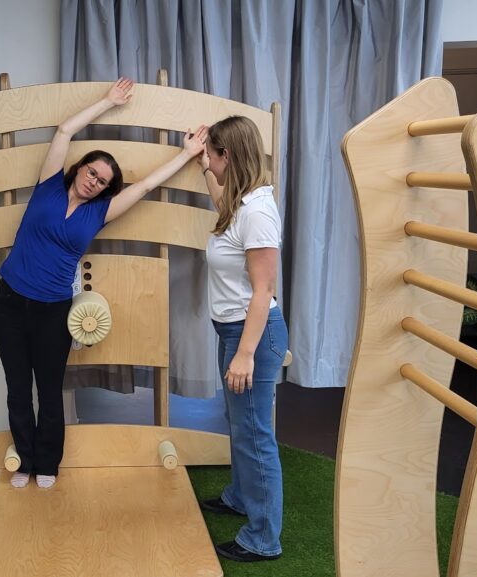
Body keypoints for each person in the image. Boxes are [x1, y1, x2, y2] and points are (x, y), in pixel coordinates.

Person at [0, 78, 206, 489]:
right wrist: (107, 102)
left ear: (106, 189)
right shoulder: (49, 186)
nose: (94, 181)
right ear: (80, 168)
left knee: (49, 392)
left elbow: (145, 186)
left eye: (103, 181)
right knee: (18, 389)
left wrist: (186, 154)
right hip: (10, 303)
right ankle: (25, 460)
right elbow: (64, 131)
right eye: (92, 172)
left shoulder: (100, 213)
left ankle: (48, 465)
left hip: (52, 310)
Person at [195, 116, 287, 562]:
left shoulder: (257, 213)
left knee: (255, 436)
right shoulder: (240, 202)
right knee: (241, 425)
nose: (209, 162)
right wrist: (202, 167)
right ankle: (239, 497)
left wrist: (245, 354)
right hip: (233, 331)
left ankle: (263, 538)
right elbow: (222, 206)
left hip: (252, 335)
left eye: (212, 155)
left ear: (227, 156)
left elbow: (263, 291)